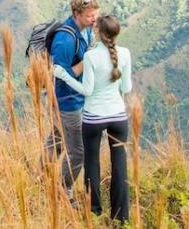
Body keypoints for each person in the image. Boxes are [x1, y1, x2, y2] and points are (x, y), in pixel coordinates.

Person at [53, 13, 133, 222]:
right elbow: (127, 87)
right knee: (120, 165)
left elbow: (86, 90)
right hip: (118, 117)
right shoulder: (125, 53)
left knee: (92, 163)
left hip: (93, 118)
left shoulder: (91, 57)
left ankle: (94, 211)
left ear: (97, 32)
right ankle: (121, 217)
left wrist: (64, 76)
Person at [45, 0, 100, 200]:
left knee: (57, 141)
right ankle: (63, 190)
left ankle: (41, 178)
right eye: (89, 15)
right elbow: (61, 75)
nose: (94, 19)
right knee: (78, 153)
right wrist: (89, 60)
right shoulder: (64, 40)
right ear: (76, 14)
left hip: (76, 99)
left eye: (95, 14)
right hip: (67, 102)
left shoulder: (85, 31)